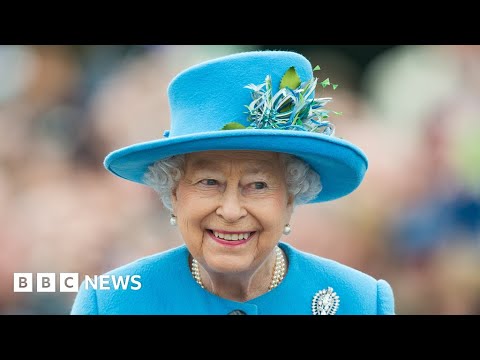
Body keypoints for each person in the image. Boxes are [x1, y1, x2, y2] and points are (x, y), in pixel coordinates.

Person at [71, 50, 395, 315]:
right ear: (173, 192)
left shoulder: (361, 302)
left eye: (257, 185)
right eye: (209, 182)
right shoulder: (112, 302)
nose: (230, 210)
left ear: (291, 198)